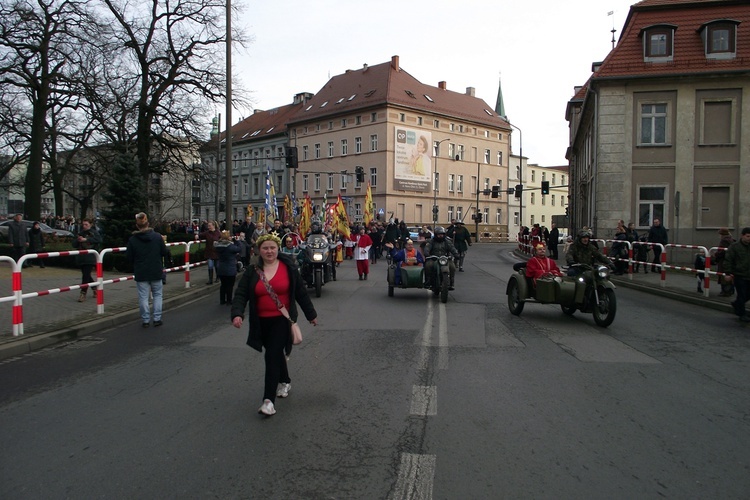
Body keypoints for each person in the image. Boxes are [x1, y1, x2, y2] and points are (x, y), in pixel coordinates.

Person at [231, 233, 318, 416]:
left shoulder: (289, 268)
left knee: (271, 356)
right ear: (259, 250)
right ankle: (285, 380)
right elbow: (241, 293)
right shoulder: (252, 270)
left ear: (278, 249)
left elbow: (300, 292)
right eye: (265, 248)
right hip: (260, 321)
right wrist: (237, 314)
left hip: (282, 320)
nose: (269, 251)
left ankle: (268, 401)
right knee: (275, 352)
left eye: (272, 247)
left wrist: (311, 315)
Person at [126, 213, 170, 327]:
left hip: (141, 271)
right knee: (157, 295)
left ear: (137, 226)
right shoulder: (157, 237)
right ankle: (157, 318)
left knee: (143, 297)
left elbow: (129, 257)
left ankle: (145, 320)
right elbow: (164, 252)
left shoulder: (132, 240)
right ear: (148, 224)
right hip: (155, 269)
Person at [723, 227, 750, 323]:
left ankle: (737, 304)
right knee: (742, 294)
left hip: (749, 275)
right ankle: (741, 314)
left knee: (747, 294)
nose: (749, 238)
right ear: (742, 236)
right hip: (739, 275)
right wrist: (728, 273)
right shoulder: (735, 247)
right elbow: (728, 260)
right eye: (747, 236)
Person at [72, 218, 102, 302]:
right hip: (81, 257)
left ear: (90, 225)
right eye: (83, 224)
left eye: (86, 224)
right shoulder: (80, 233)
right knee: (87, 275)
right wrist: (78, 240)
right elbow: (73, 244)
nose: (84, 226)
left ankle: (83, 293)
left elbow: (99, 240)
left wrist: (87, 239)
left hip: (90, 257)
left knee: (85, 275)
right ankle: (95, 288)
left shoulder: (94, 232)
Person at [215, 230, 241, 305]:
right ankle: (229, 300)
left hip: (221, 267)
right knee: (230, 285)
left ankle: (222, 300)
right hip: (230, 268)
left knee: (223, 285)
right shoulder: (230, 247)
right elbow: (239, 248)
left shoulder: (218, 246)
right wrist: (237, 241)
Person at [200, 221, 221, 285]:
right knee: (210, 266)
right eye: (208, 226)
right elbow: (201, 235)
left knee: (217, 266)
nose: (208, 227)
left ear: (213, 226)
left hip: (217, 252)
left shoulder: (218, 233)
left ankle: (218, 277)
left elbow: (222, 240)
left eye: (209, 226)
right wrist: (197, 236)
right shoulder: (207, 233)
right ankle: (210, 280)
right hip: (209, 252)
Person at [715, 228, 735, 297]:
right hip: (730, 260)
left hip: (724, 261)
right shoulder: (731, 239)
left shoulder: (724, 241)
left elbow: (721, 251)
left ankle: (725, 291)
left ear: (722, 234)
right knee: (729, 275)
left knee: (723, 275)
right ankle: (730, 290)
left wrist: (716, 256)